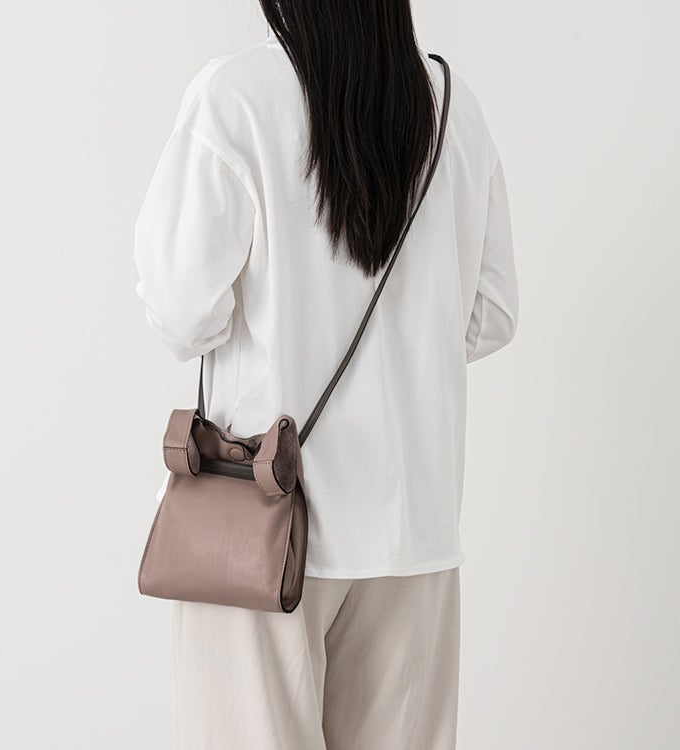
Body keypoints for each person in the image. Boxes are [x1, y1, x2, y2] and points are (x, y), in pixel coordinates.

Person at [133, 1, 518, 747]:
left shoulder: (235, 98)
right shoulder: (453, 108)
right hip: (413, 532)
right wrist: (406, 357)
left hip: (257, 527)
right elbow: (492, 311)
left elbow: (181, 312)